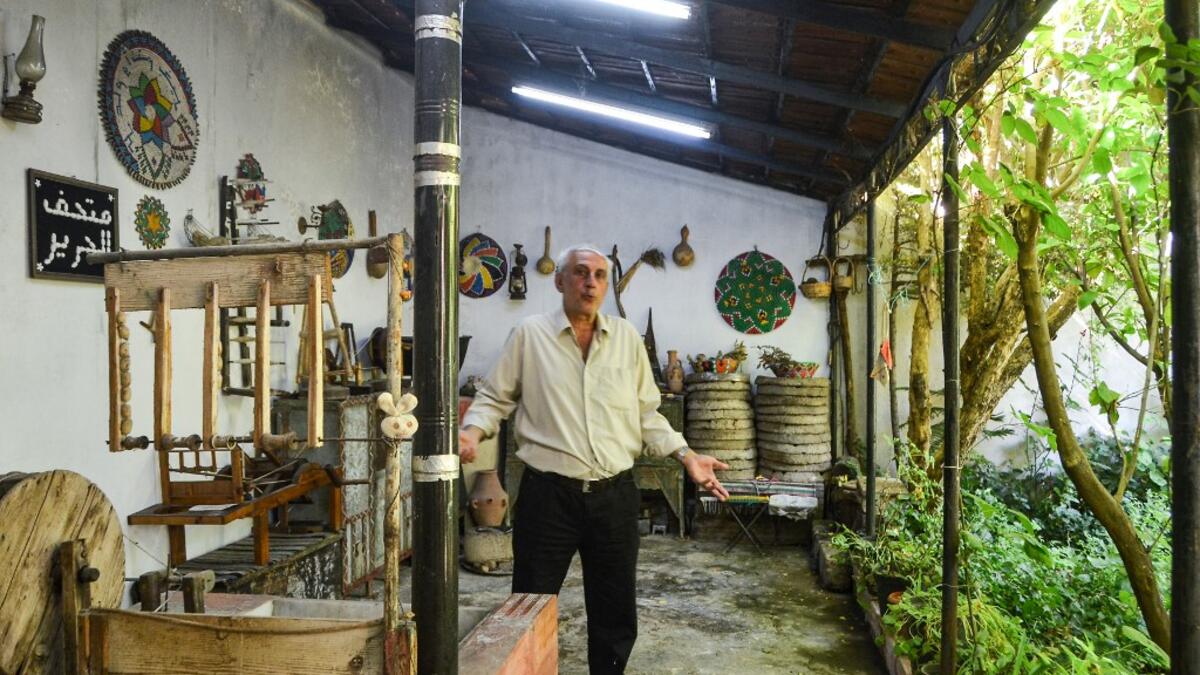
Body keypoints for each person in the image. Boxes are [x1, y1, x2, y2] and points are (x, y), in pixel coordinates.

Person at [459, 245, 730, 674]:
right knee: (529, 606)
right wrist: (472, 431)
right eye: (581, 273)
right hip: (549, 496)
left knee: (615, 612)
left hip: (614, 497)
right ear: (560, 281)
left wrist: (686, 454)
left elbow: (646, 413)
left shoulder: (625, 339)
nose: (591, 283)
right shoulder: (530, 335)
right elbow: (494, 397)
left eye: (600, 275)